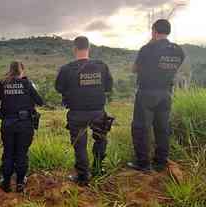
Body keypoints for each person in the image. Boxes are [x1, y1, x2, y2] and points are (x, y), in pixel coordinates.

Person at [127, 19, 185, 172]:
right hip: (166, 93)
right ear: (168, 31)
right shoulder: (179, 51)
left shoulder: (147, 49)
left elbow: (134, 69)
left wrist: (150, 44)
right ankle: (160, 162)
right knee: (162, 128)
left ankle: (143, 164)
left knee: (141, 128)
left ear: (154, 31)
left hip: (147, 92)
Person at [55, 36, 113, 186]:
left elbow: (59, 88)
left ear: (74, 49)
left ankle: (83, 176)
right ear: (89, 48)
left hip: (76, 113)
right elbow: (108, 87)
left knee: (79, 145)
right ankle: (98, 169)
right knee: (101, 139)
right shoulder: (102, 66)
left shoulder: (66, 69)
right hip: (98, 111)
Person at [0, 61, 44, 193]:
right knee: (22, 153)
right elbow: (40, 102)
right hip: (25, 124)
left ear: (10, 70)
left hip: (8, 123)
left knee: (8, 153)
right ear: (22, 71)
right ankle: (20, 182)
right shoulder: (27, 84)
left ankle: (6, 182)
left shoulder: (3, 83)